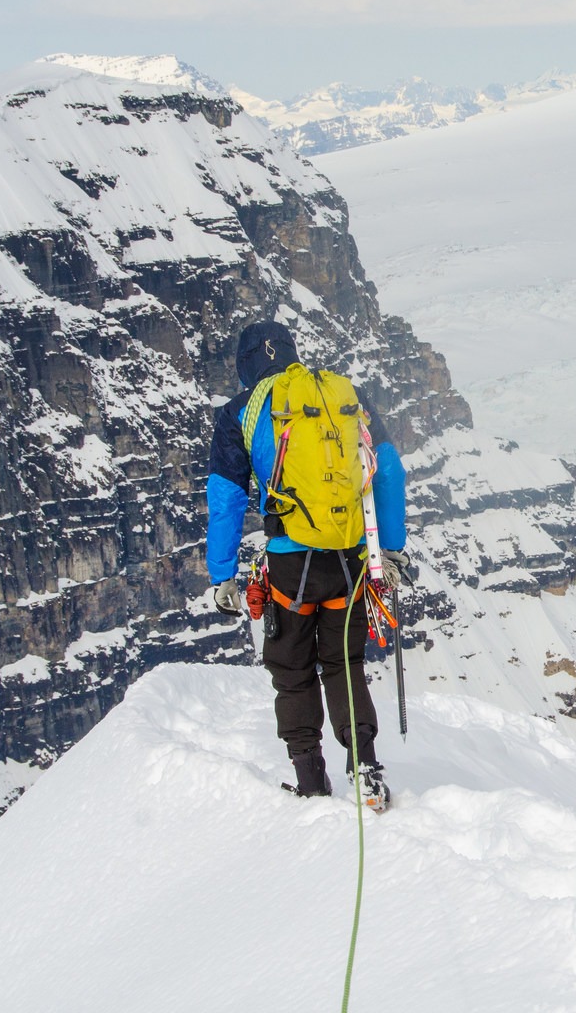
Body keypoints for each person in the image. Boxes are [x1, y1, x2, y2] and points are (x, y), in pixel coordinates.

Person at [205, 320, 409, 808]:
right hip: (348, 557)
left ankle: (310, 782)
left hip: (289, 566)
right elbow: (389, 472)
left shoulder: (242, 412)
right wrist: (391, 550)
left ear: (244, 366)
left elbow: (227, 498)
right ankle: (366, 771)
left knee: (292, 668)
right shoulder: (340, 396)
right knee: (344, 662)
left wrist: (223, 575)